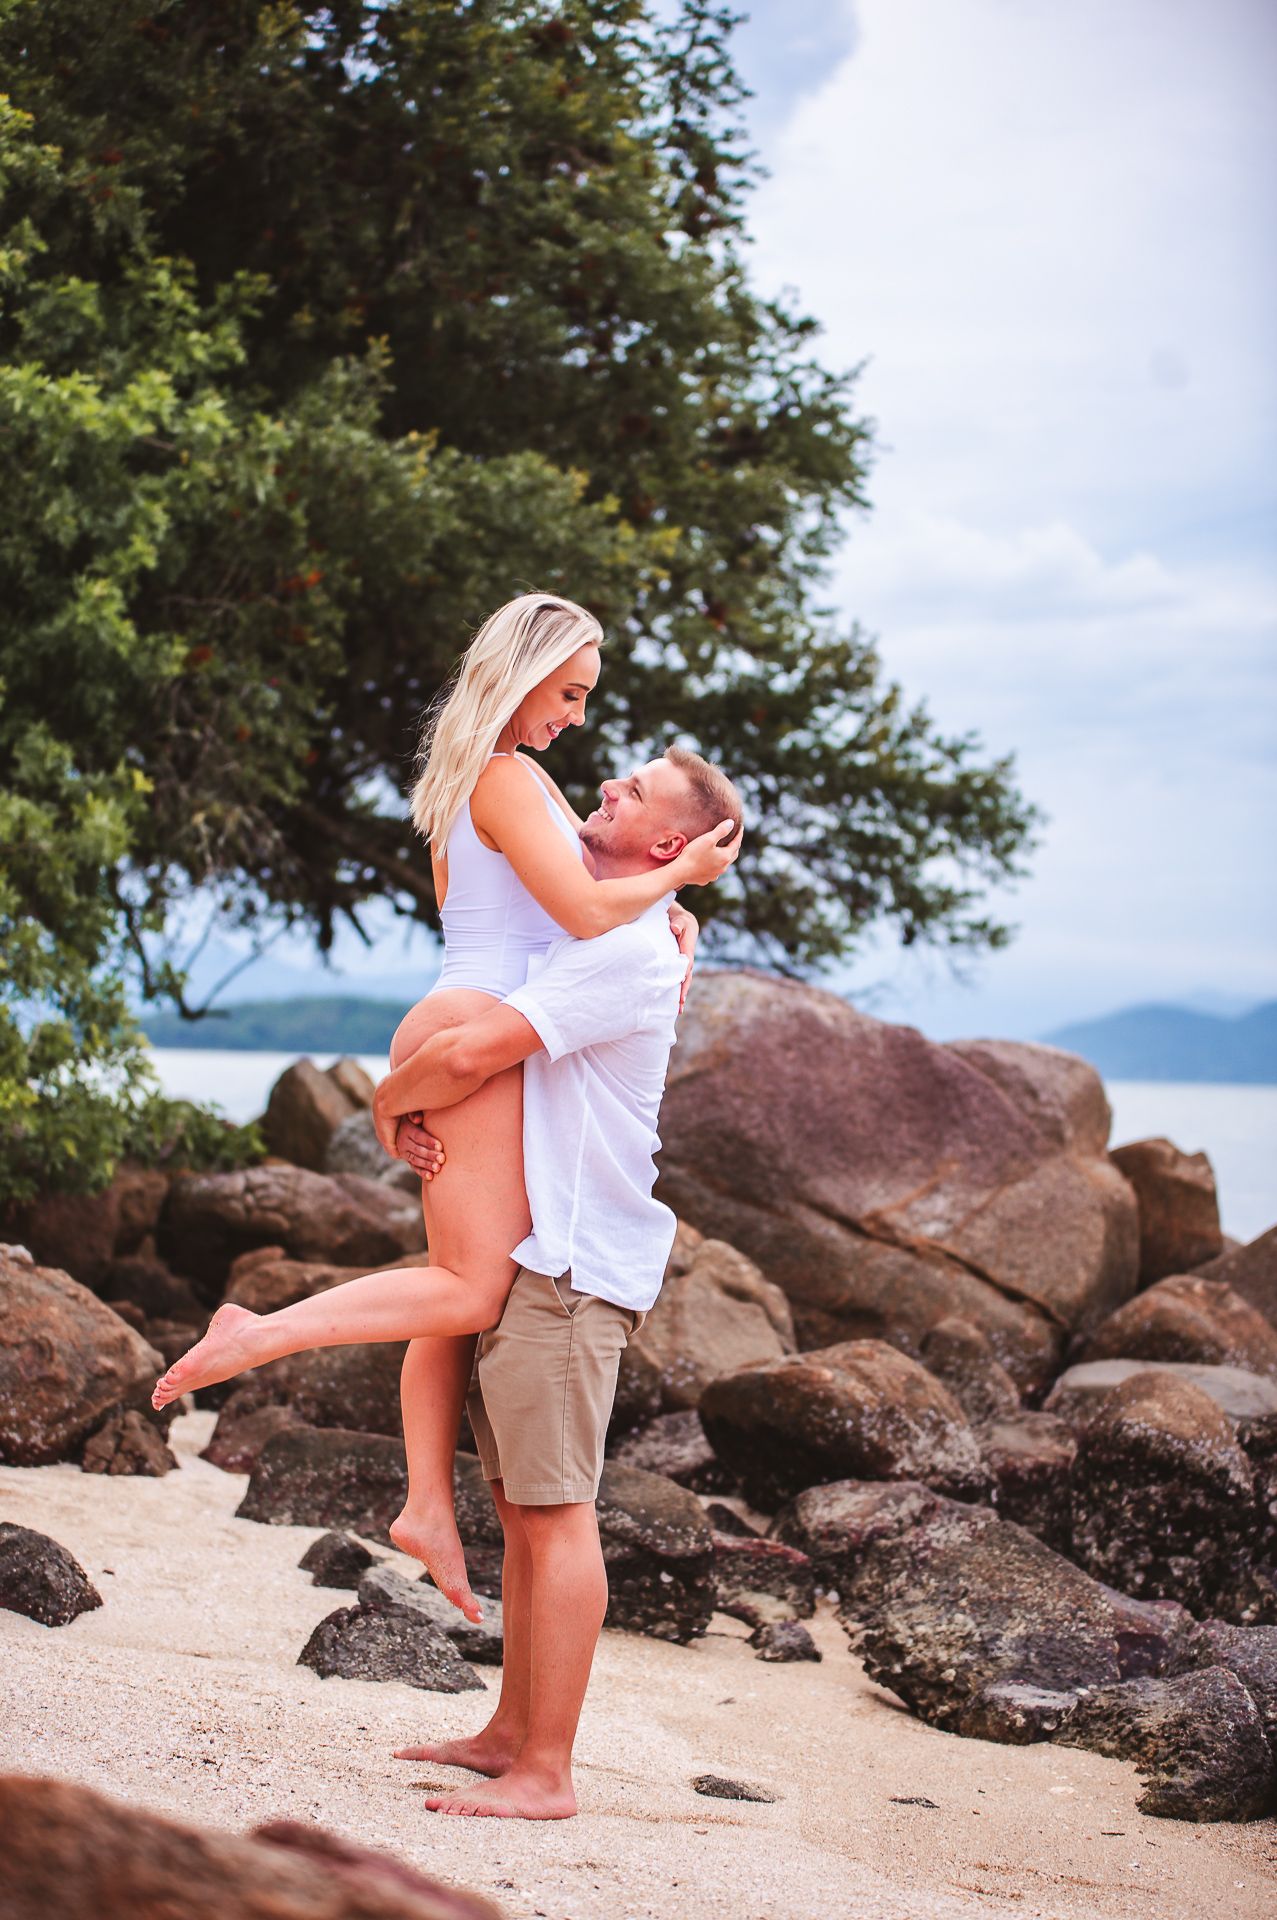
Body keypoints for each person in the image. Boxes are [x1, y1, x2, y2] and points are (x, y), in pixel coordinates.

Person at [151, 594, 737, 1629]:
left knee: (465, 1283)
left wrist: (670, 904)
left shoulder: (509, 779)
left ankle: (425, 1500)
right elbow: (577, 909)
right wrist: (684, 873)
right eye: (567, 691)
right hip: (477, 1031)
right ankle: (261, 1333)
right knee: (472, 1291)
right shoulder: (505, 777)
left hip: (469, 1021)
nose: (576, 716)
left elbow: (587, 885)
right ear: (523, 672)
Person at [386, 746, 744, 1820]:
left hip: (575, 1265)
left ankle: (547, 1772)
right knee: (521, 1507)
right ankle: (510, 1734)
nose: (601, 788)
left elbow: (472, 1055)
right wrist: (680, 906)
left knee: (556, 1519)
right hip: (544, 1251)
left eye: (628, 793)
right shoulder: (619, 922)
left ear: (668, 845)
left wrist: (384, 1104)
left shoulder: (619, 947)